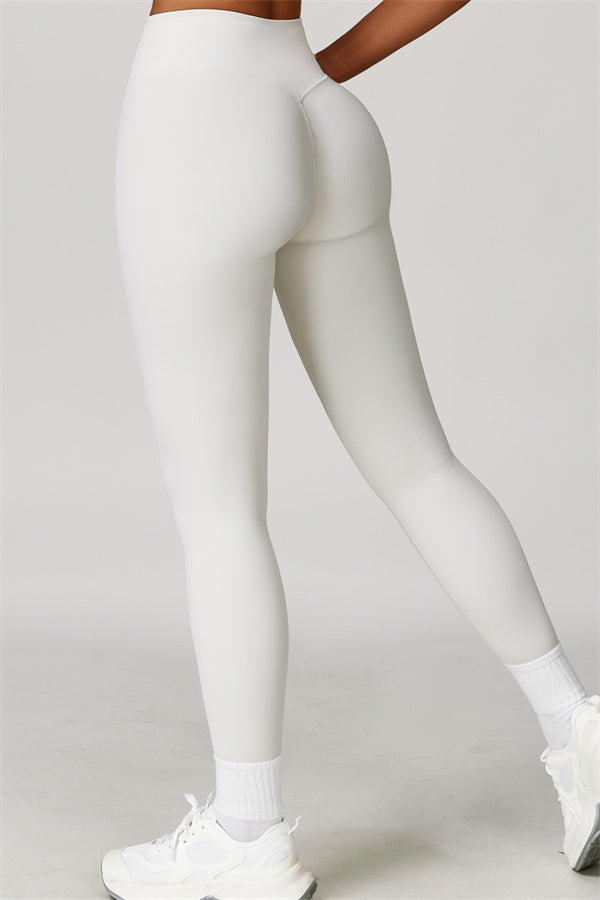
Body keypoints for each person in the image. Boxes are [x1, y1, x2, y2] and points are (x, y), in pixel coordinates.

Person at [101, 1, 600, 898]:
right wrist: (320, 69)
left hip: (200, 111)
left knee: (218, 508)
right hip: (319, 108)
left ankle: (246, 834)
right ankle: (579, 725)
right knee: (420, 463)